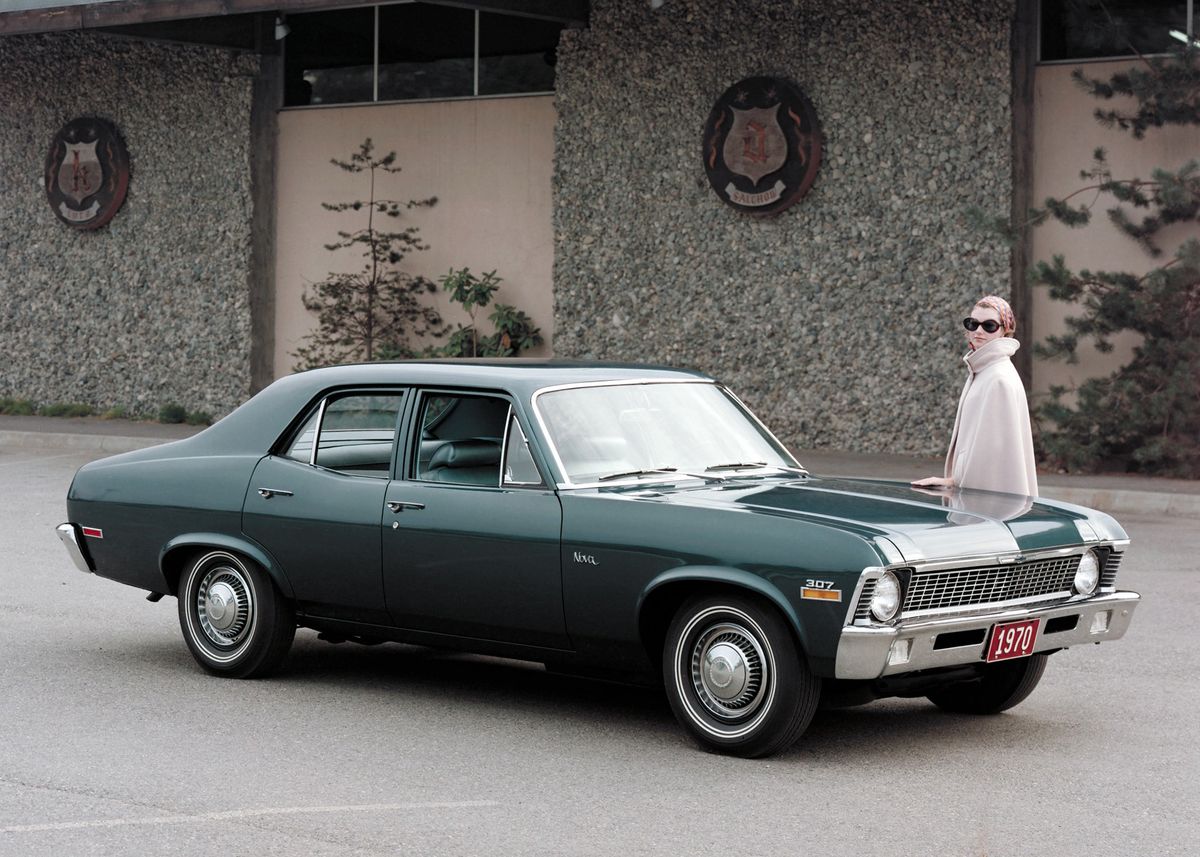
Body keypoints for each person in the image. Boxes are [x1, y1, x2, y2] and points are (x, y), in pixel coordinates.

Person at [911, 295, 1039, 496]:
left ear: (1005, 330)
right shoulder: (983, 370)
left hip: (986, 504)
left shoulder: (998, 378)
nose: (978, 330)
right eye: (973, 324)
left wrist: (952, 482)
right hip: (983, 501)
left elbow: (992, 455)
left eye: (989, 326)